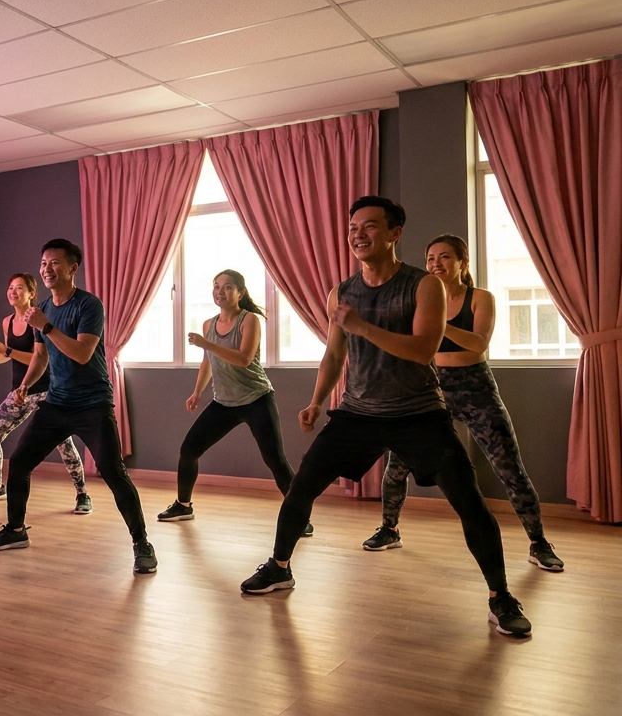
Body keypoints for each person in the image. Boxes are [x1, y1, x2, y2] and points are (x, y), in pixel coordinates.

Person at [240, 197, 532, 640]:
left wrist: (363, 327)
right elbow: (335, 352)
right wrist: (319, 401)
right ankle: (279, 567)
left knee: (470, 503)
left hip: (419, 413)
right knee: (300, 488)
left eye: (371, 226)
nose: (358, 233)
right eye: (353, 226)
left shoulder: (422, 286)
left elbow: (422, 349)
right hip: (358, 413)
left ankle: (500, 598)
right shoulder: (342, 291)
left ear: (395, 234)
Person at [362, 234, 564, 571]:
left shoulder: (480, 298)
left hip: (475, 388)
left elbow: (477, 344)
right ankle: (389, 529)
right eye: (430, 259)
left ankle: (539, 542)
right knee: (396, 465)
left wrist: (439, 322)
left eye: (444, 257)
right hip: (429, 389)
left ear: (462, 264)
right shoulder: (418, 300)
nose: (435, 264)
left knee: (509, 468)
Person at [0, 239, 157, 574]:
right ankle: (16, 531)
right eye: (43, 262)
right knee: (18, 463)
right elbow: (42, 355)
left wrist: (45, 325)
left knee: (113, 472)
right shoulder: (43, 308)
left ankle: (142, 543)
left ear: (73, 268)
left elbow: (82, 353)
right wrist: (25, 385)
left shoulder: (89, 306)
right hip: (57, 403)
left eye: (55, 263)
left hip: (92, 404)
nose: (47, 268)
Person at [158, 270, 310, 537]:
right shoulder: (209, 324)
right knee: (189, 450)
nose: (220, 291)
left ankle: (299, 517)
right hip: (224, 403)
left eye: (228, 287)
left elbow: (243, 358)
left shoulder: (248, 320)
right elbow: (208, 362)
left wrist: (207, 343)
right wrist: (197, 392)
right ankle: (183, 505)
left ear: (240, 292)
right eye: (216, 286)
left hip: (256, 399)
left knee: (275, 459)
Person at [0, 272, 90, 513]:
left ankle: (82, 495)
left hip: (47, 392)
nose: (13, 292)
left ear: (31, 294)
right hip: (20, 392)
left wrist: (7, 351)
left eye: (19, 288)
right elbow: (7, 355)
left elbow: (39, 358)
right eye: (10, 288)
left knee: (64, 444)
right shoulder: (7, 322)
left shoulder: (38, 320)